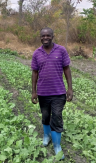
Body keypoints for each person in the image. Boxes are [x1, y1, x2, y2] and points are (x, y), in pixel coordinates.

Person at [31, 27, 73, 160]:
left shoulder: (61, 50)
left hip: (58, 93)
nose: (45, 38)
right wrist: (33, 91)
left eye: (48, 35)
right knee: (45, 116)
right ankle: (46, 136)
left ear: (53, 36)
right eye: (43, 36)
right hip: (43, 92)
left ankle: (57, 145)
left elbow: (67, 69)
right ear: (40, 37)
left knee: (56, 117)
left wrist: (70, 88)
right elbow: (34, 73)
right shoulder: (36, 53)